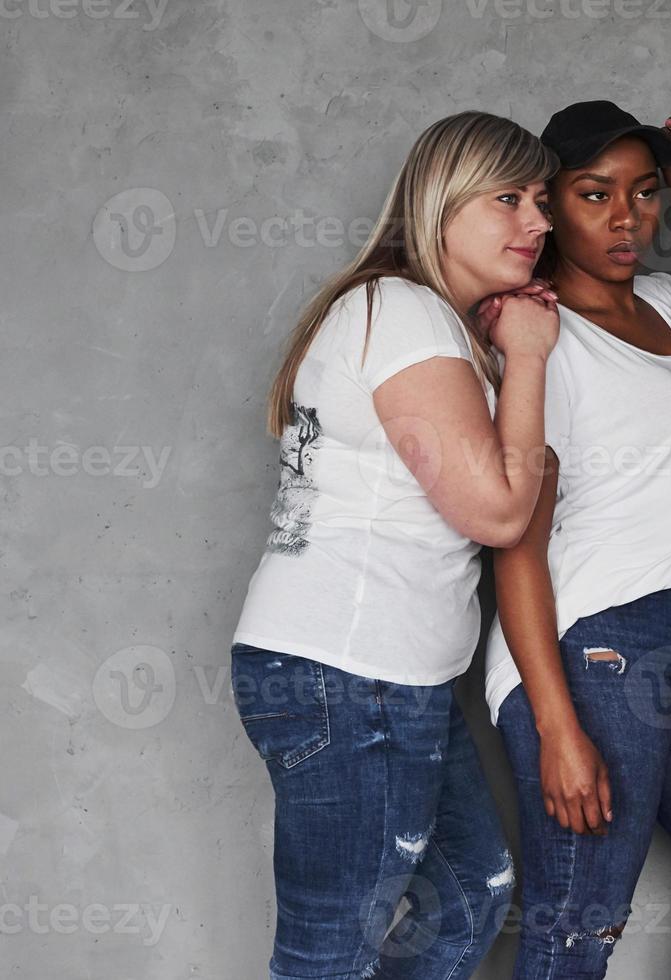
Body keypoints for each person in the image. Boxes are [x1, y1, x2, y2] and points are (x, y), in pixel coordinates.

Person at [229, 111, 560, 980]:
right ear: (441, 205)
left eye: (541, 199)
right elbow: (495, 514)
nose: (540, 221)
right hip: (350, 674)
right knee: (331, 953)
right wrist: (526, 357)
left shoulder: (413, 316)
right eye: (510, 199)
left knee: (468, 897)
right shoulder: (404, 313)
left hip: (384, 677)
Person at [485, 100, 671, 978]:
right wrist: (559, 728)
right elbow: (515, 548)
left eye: (642, 196)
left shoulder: (670, 307)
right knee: (577, 933)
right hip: (593, 648)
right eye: (593, 193)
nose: (623, 217)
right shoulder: (539, 337)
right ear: (548, 204)